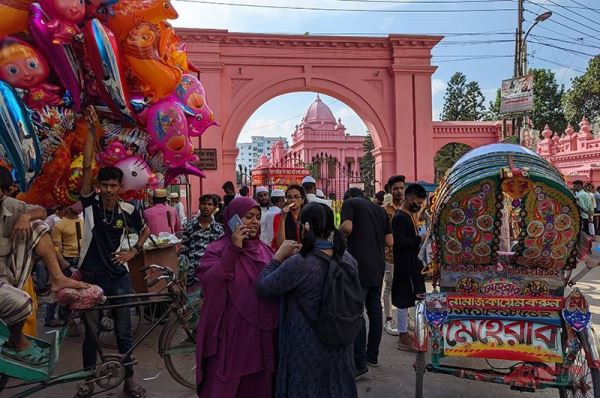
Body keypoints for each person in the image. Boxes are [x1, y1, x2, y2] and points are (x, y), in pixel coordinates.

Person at [79, 108, 151, 398]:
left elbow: (145, 231)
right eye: (104, 185)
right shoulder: (90, 205)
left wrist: (133, 252)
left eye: (113, 185)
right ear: (98, 187)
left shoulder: (130, 209)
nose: (108, 190)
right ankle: (88, 380)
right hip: (91, 278)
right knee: (91, 335)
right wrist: (91, 131)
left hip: (120, 279)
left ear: (121, 187)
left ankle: (129, 380)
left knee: (123, 333)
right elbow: (86, 168)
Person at [256, 203, 358, 398]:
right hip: (341, 344)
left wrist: (277, 258)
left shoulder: (300, 263)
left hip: (306, 350)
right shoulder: (347, 258)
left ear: (306, 227)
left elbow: (264, 287)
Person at [0, 166, 87, 365]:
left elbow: (40, 210)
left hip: (8, 269)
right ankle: (17, 341)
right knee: (22, 303)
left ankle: (57, 278)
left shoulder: (8, 204)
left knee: (37, 225)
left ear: (4, 193)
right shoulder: (63, 222)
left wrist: (25, 216)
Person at [195, 197, 278, 398]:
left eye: (258, 217)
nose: (254, 222)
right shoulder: (218, 249)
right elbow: (211, 283)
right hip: (233, 330)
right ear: (233, 220)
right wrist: (233, 249)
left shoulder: (264, 249)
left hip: (263, 329)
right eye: (248, 217)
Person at [340, 187, 392, 377]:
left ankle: (359, 362)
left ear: (350, 197)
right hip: (377, 266)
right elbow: (390, 241)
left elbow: (347, 228)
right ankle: (373, 356)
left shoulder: (349, 203)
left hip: (358, 266)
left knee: (356, 312)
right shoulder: (380, 210)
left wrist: (336, 237)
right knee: (375, 310)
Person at [391, 183, 427, 351]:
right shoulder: (399, 217)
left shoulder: (408, 216)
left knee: (410, 299)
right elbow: (399, 242)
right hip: (404, 266)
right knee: (403, 301)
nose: (419, 206)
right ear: (410, 198)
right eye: (418, 203)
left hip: (411, 264)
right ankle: (403, 336)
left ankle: (406, 333)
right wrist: (419, 239)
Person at [49, 201, 84, 336]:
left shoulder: (83, 221)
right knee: (66, 294)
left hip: (83, 259)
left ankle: (86, 319)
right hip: (68, 261)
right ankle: (69, 322)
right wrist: (64, 263)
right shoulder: (59, 225)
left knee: (85, 290)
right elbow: (56, 247)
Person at [180, 194, 224, 291]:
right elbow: (184, 251)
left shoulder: (218, 229)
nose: (206, 207)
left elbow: (221, 253)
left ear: (215, 207)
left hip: (212, 275)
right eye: (204, 204)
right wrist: (182, 273)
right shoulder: (190, 227)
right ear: (199, 205)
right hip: (192, 276)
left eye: (210, 204)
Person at [382, 175, 405, 336]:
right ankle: (389, 319)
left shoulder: (408, 208)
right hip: (389, 255)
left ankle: (405, 318)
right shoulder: (384, 210)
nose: (399, 191)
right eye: (395, 188)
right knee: (389, 286)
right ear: (390, 190)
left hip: (406, 255)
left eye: (401, 188)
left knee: (405, 286)